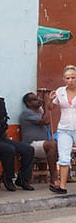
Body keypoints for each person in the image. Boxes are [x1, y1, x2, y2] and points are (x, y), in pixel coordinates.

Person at [19, 91, 60, 192]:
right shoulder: (26, 113)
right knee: (51, 145)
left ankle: (63, 177)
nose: (38, 100)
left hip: (41, 145)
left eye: (38, 98)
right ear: (28, 103)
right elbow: (45, 121)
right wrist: (46, 104)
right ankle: (54, 179)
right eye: (35, 99)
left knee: (61, 145)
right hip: (31, 145)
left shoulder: (41, 112)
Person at [49, 64, 76, 194]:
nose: (70, 81)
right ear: (63, 79)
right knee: (64, 157)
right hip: (64, 128)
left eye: (73, 78)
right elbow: (50, 108)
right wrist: (50, 100)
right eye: (67, 78)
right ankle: (63, 186)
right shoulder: (60, 91)